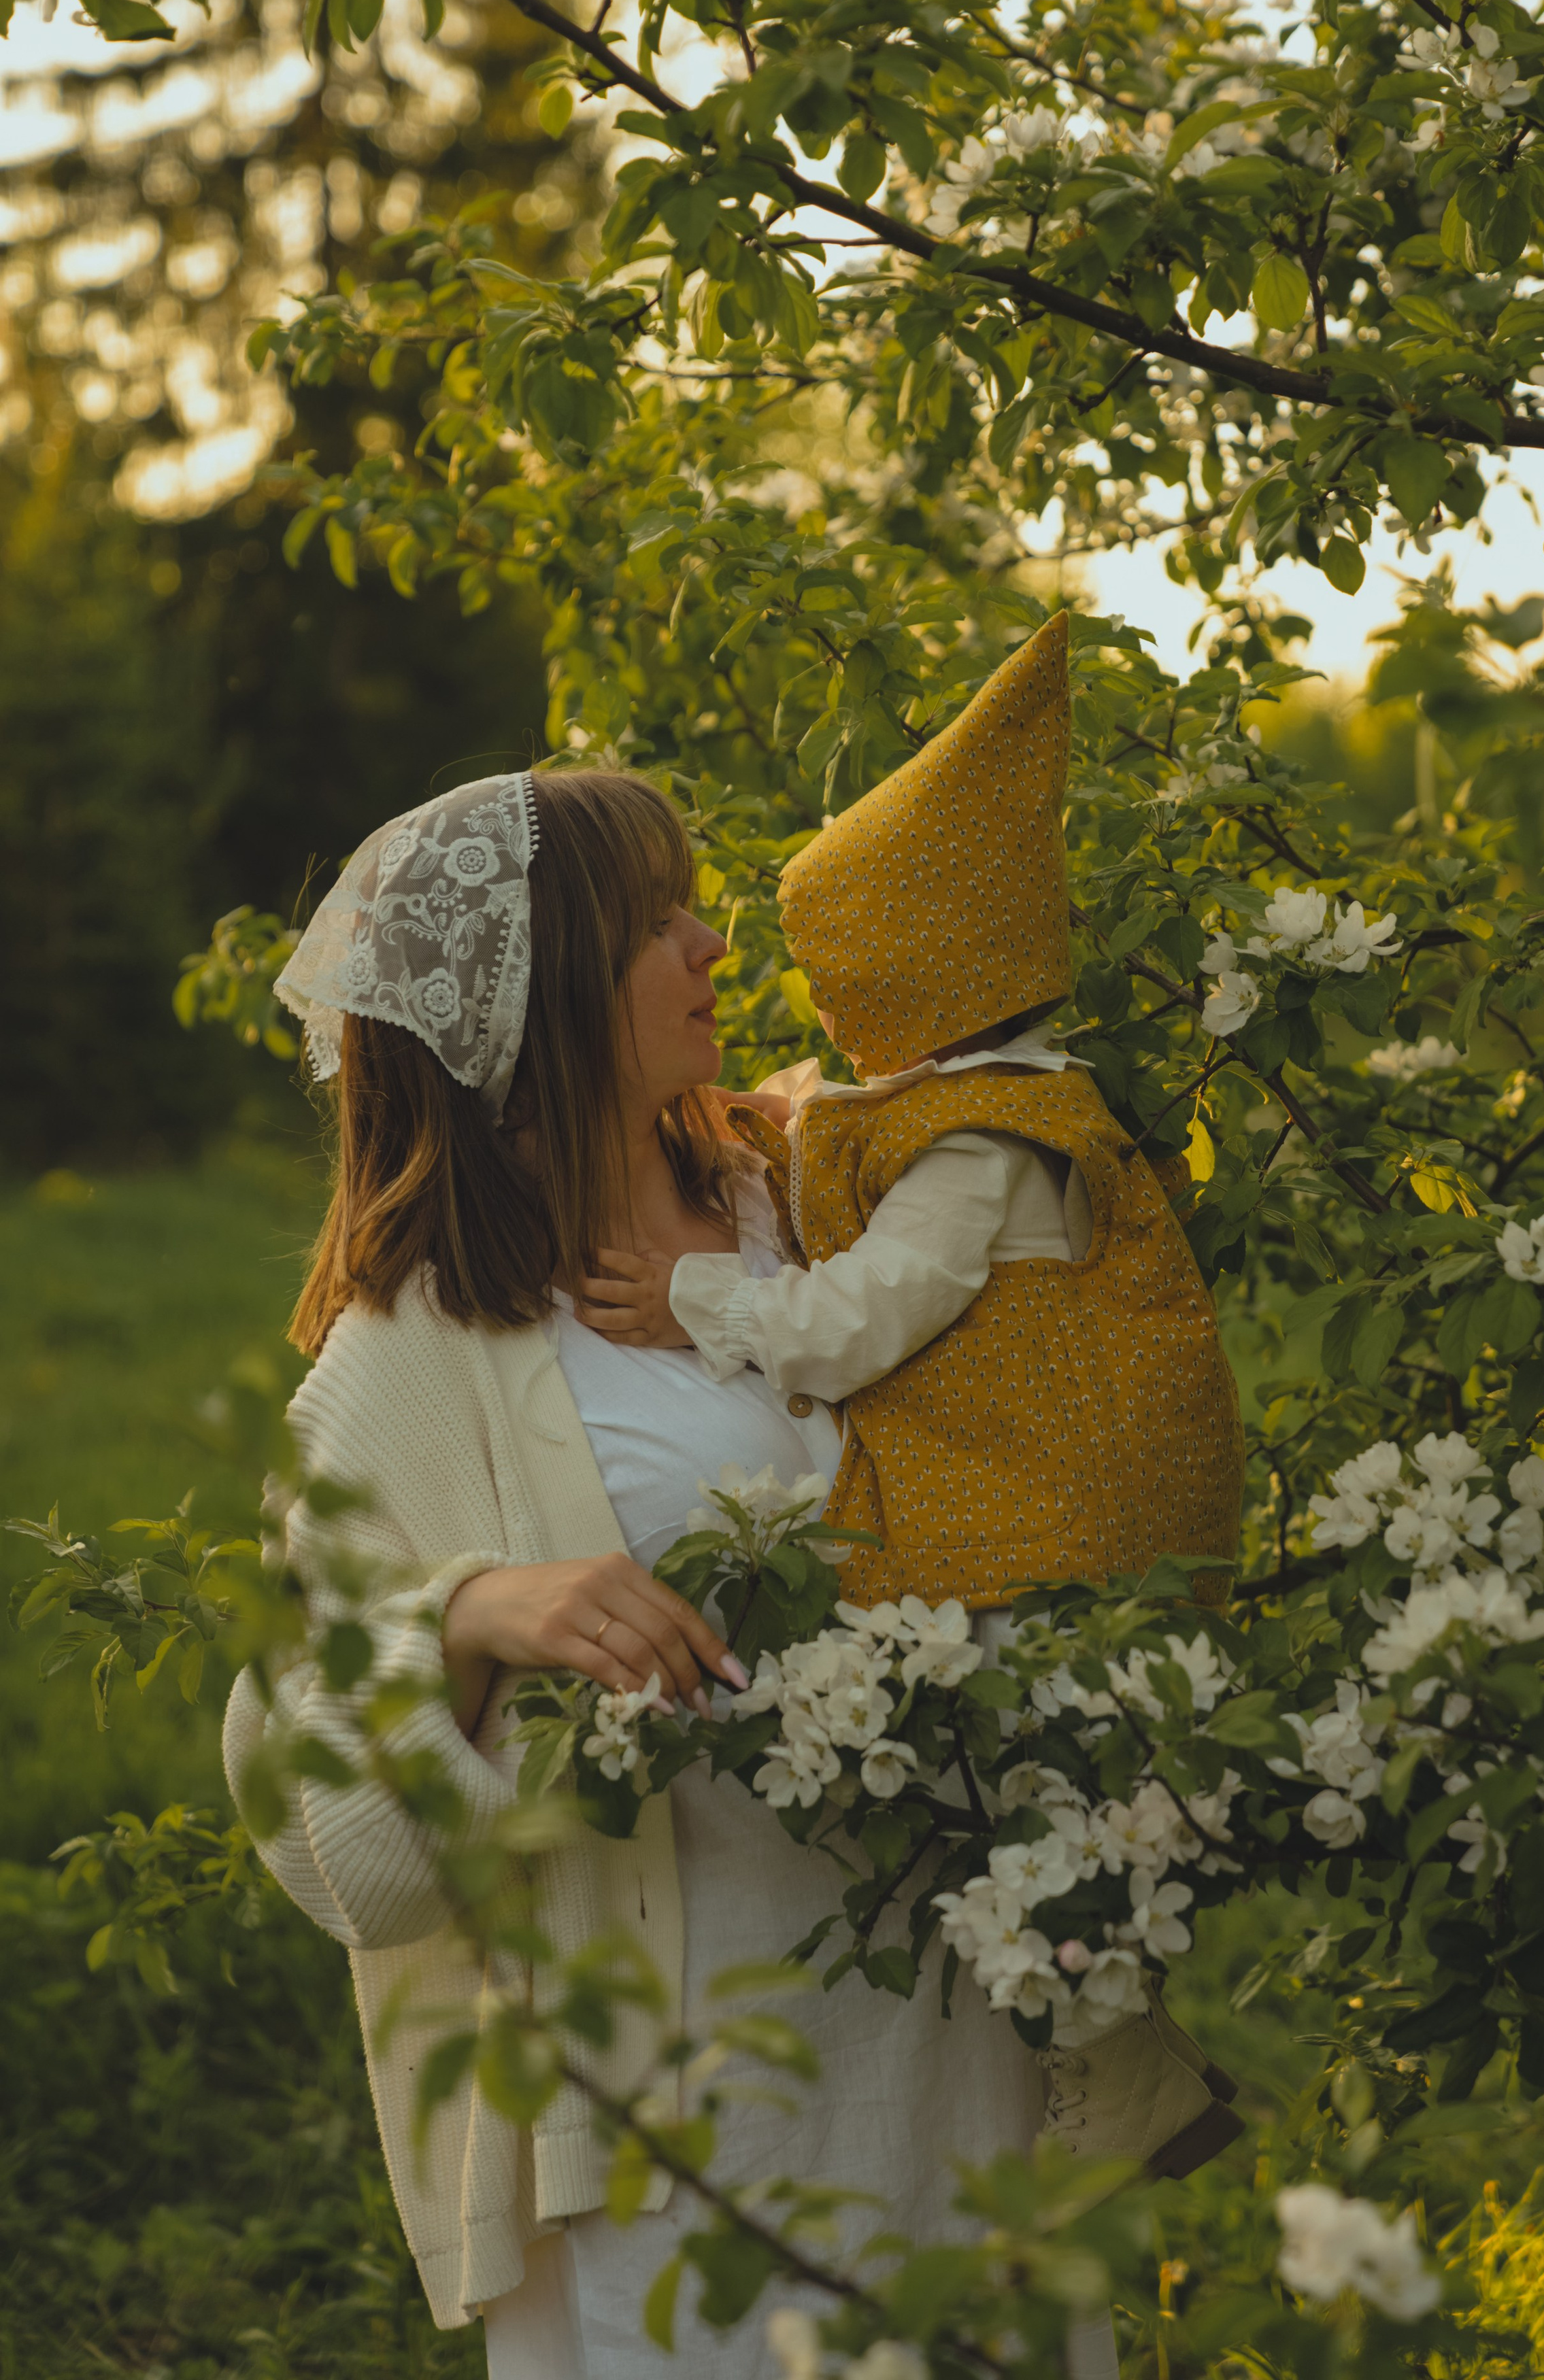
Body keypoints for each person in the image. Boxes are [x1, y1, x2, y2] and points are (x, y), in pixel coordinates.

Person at [221, 765, 1061, 2378]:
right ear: (541, 990)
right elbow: (319, 1826)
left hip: (948, 2019)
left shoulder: (813, 1201)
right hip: (687, 2105)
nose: (711, 947)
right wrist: (466, 1615)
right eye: (653, 922)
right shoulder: (415, 1352)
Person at [573, 615, 1247, 2181]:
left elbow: (859, 1320)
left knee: (1020, 1774)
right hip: (1046, 1517)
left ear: (921, 965)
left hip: (1061, 1526)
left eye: (839, 975)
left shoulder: (985, 1143)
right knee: (1029, 1786)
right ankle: (1110, 2050)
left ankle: (1113, 2063)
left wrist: (695, 1301)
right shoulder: (959, 1106)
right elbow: (835, 1144)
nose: (805, 1001)